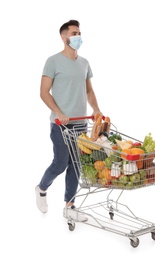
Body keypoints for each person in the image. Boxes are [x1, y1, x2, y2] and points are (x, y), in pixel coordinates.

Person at [35, 20, 102, 221]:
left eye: (79, 32)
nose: (78, 36)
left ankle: (70, 205)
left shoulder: (84, 63)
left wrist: (96, 109)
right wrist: (58, 112)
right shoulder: (53, 61)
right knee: (61, 162)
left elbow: (89, 90)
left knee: (76, 164)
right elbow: (43, 92)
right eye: (74, 33)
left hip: (81, 123)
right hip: (60, 124)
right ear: (64, 38)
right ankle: (41, 188)